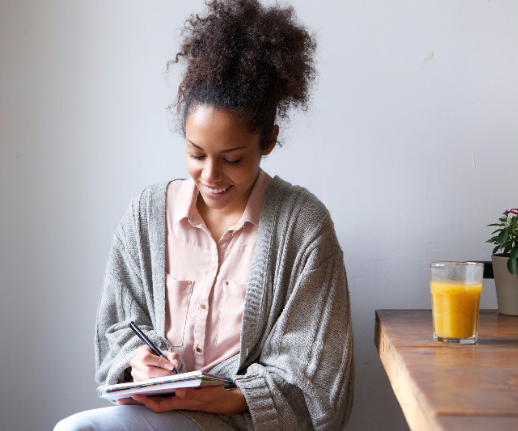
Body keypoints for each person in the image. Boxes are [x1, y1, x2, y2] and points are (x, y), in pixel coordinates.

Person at [54, 0, 354, 430]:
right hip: (156, 416)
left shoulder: (304, 227)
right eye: (196, 154)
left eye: (232, 158)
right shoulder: (146, 216)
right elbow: (116, 332)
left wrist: (230, 397)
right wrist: (139, 365)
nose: (209, 176)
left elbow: (319, 384)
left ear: (268, 140)